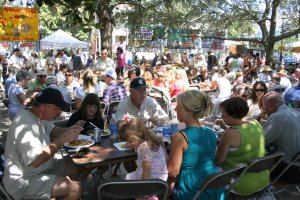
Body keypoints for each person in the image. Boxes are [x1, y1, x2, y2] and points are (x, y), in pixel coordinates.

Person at [3, 88, 84, 200]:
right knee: (74, 188)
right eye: (57, 108)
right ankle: (64, 192)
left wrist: (71, 129)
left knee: (76, 166)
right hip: (22, 181)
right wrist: (61, 140)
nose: (59, 112)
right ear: (44, 106)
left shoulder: (39, 116)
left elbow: (54, 130)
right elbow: (36, 160)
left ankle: (56, 194)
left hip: (41, 168)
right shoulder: (25, 124)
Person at [167, 90, 224, 200]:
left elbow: (173, 172)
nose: (175, 109)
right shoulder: (211, 132)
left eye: (178, 106)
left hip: (191, 189)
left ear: (187, 111)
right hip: (213, 185)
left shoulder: (180, 137)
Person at [215, 97, 268, 195]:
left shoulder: (230, 134)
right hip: (263, 178)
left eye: (222, 113)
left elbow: (218, 161)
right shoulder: (254, 122)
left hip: (241, 184)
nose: (221, 116)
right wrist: (225, 127)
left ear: (230, 115)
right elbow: (242, 135)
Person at [261, 91, 300, 183]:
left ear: (270, 104)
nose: (263, 109)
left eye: (263, 105)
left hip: (288, 170)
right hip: (295, 166)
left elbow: (261, 141)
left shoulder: (277, 117)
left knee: (250, 159)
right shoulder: (296, 113)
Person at [118, 115, 168, 181]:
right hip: (161, 176)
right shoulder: (150, 140)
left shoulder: (143, 147)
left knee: (127, 179)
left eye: (130, 141)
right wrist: (131, 144)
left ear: (140, 134)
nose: (128, 143)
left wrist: (144, 185)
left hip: (152, 178)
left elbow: (147, 167)